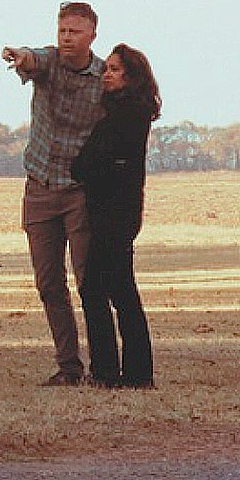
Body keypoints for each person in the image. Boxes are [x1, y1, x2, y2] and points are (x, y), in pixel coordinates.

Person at [1, 1, 105, 385]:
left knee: (88, 281)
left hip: (79, 192)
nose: (66, 38)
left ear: (92, 35)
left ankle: (103, 364)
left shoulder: (103, 77)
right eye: (62, 30)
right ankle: (68, 365)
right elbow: (34, 59)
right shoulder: (49, 64)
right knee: (49, 284)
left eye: (75, 32)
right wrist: (19, 56)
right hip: (40, 187)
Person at [72, 43, 159, 388]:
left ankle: (115, 371)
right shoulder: (120, 115)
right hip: (113, 212)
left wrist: (89, 167)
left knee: (103, 289)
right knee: (115, 290)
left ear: (132, 77)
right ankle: (128, 372)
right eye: (106, 69)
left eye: (114, 70)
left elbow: (90, 165)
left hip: (115, 214)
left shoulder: (127, 116)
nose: (106, 75)